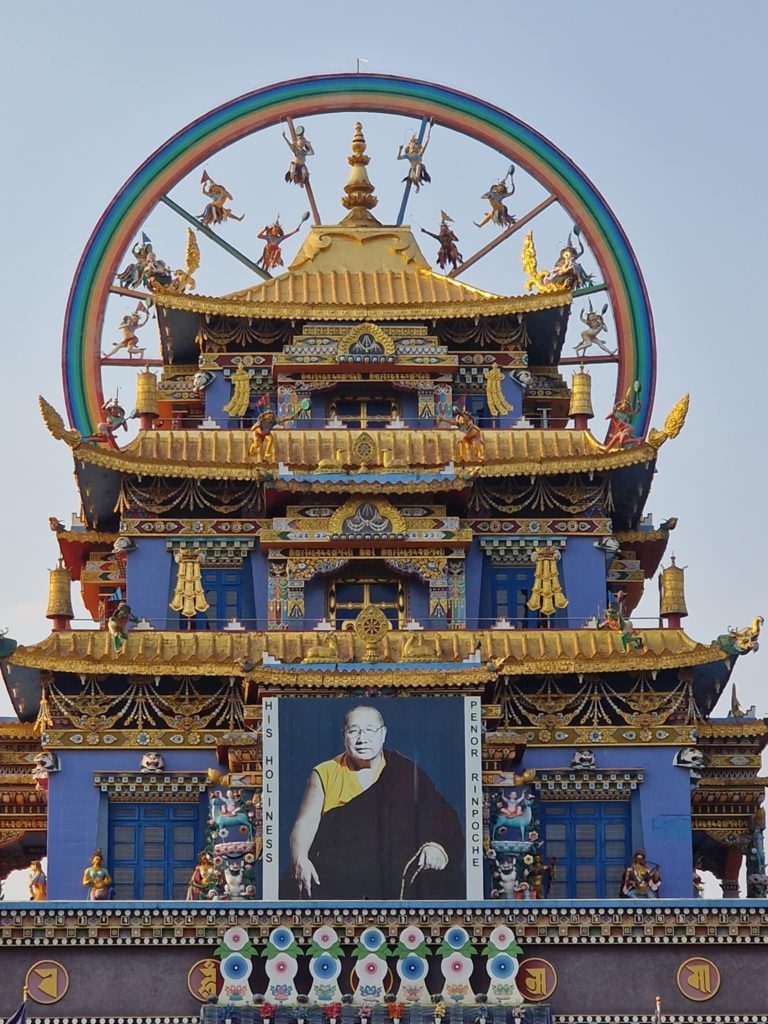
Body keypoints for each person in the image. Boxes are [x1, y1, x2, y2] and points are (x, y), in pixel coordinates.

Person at [284, 705, 464, 899]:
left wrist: (435, 846)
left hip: (393, 874)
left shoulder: (402, 770)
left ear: (383, 734)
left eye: (370, 730)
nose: (362, 739)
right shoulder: (325, 772)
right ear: (343, 735)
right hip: (338, 877)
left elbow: (438, 814)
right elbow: (306, 822)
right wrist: (300, 857)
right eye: (354, 731)